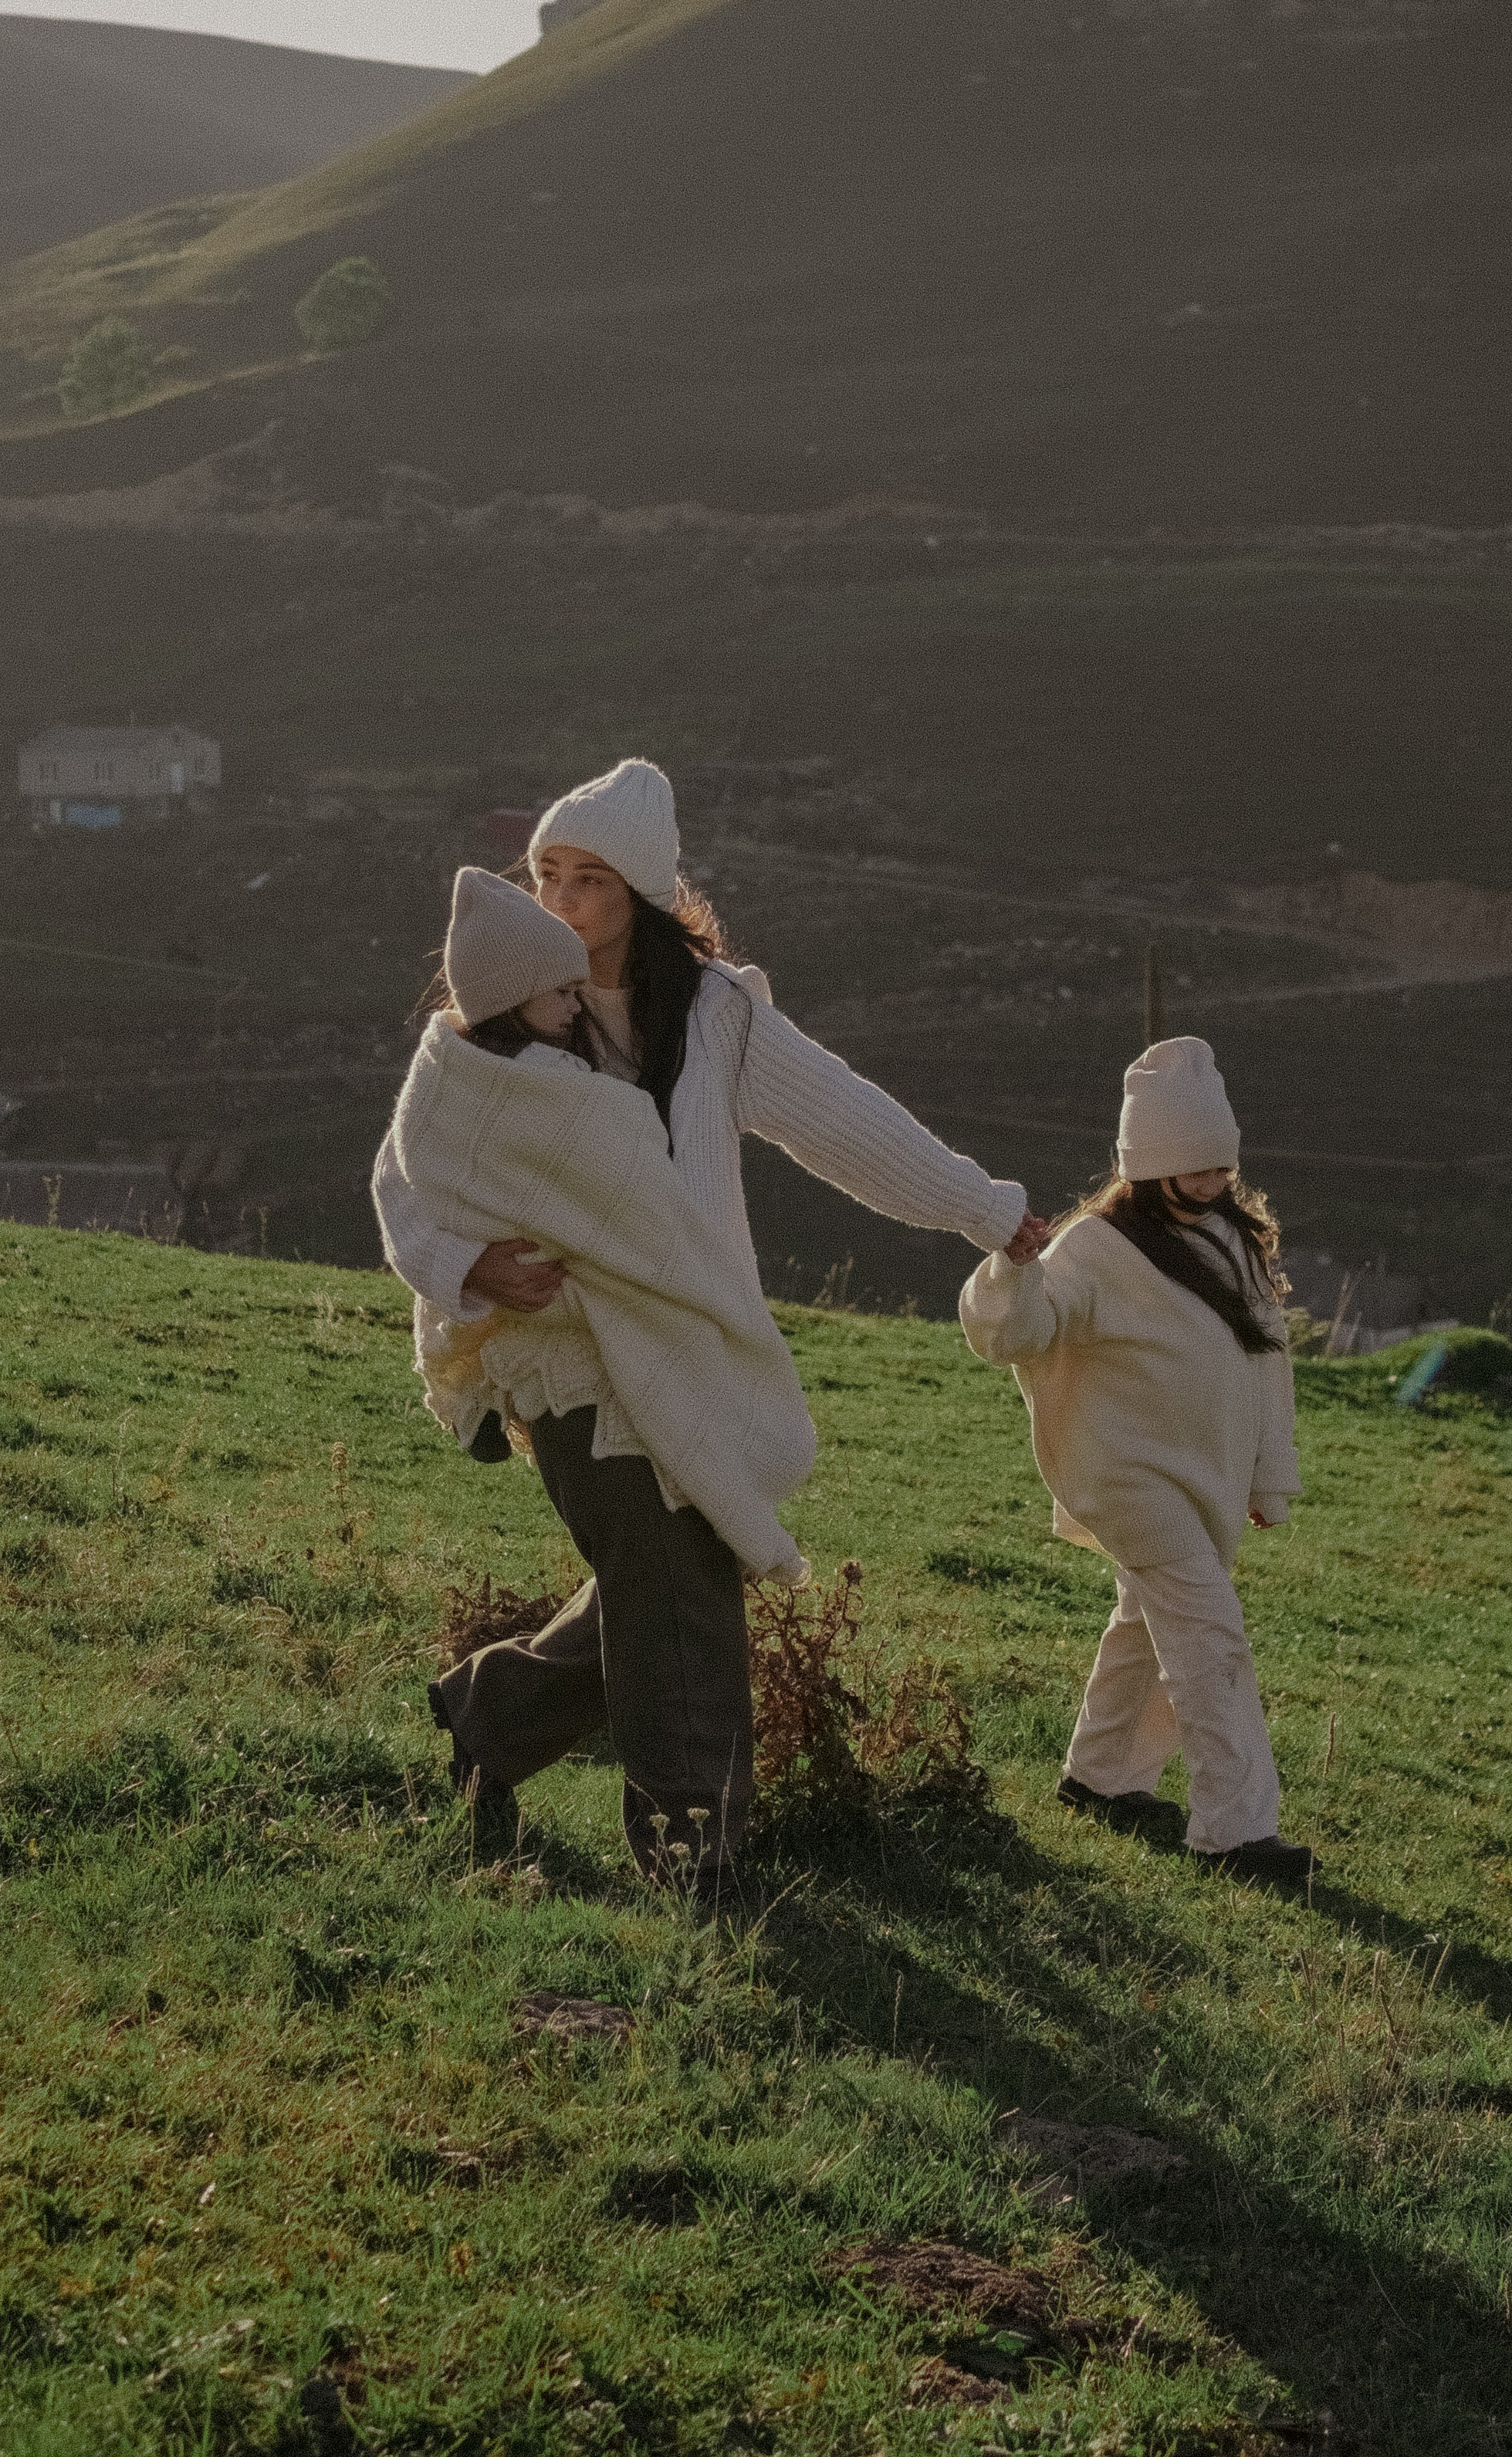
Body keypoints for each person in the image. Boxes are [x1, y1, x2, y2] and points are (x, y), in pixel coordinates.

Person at [373, 756, 1044, 1887]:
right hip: (565, 1354)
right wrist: (467, 1263)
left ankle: (489, 1721)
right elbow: (407, 1175)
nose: (560, 903)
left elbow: (845, 1122)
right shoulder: (497, 1010)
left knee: (667, 1577)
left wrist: (985, 1209)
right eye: (545, 874)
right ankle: (695, 1852)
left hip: (684, 1351)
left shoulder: (718, 1016)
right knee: (678, 1589)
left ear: (638, 893)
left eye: (588, 880)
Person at [958, 1036, 1314, 1887]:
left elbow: (1267, 1362)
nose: (1209, 1181)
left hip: (1209, 1475)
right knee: (1207, 1632)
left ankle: (1101, 1780)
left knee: (1146, 1622)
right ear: (1145, 1162)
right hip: (1125, 1477)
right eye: (1190, 1166)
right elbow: (1017, 1331)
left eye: (1219, 1165)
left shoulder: (1237, 1239)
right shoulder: (1090, 1249)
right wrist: (1013, 1268)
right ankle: (1236, 1834)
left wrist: (1268, 1476)